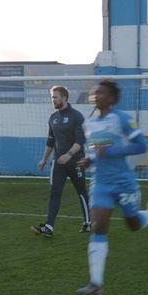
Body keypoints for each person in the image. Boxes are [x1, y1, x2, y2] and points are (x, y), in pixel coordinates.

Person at [76, 80, 148, 295]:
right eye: (95, 92)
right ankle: (96, 283)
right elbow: (97, 152)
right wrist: (89, 161)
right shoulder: (89, 124)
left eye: (101, 92)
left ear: (112, 98)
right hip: (101, 182)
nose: (96, 95)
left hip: (124, 182)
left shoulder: (122, 119)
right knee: (99, 226)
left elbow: (142, 146)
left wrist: (113, 152)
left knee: (132, 225)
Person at [31, 86, 91, 238]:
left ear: (64, 98)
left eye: (55, 97)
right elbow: (51, 141)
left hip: (75, 161)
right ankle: (49, 227)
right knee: (54, 193)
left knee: (81, 192)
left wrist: (69, 154)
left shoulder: (77, 116)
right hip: (58, 163)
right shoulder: (53, 118)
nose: (53, 100)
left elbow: (80, 141)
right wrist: (44, 159)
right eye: (52, 97)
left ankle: (88, 222)